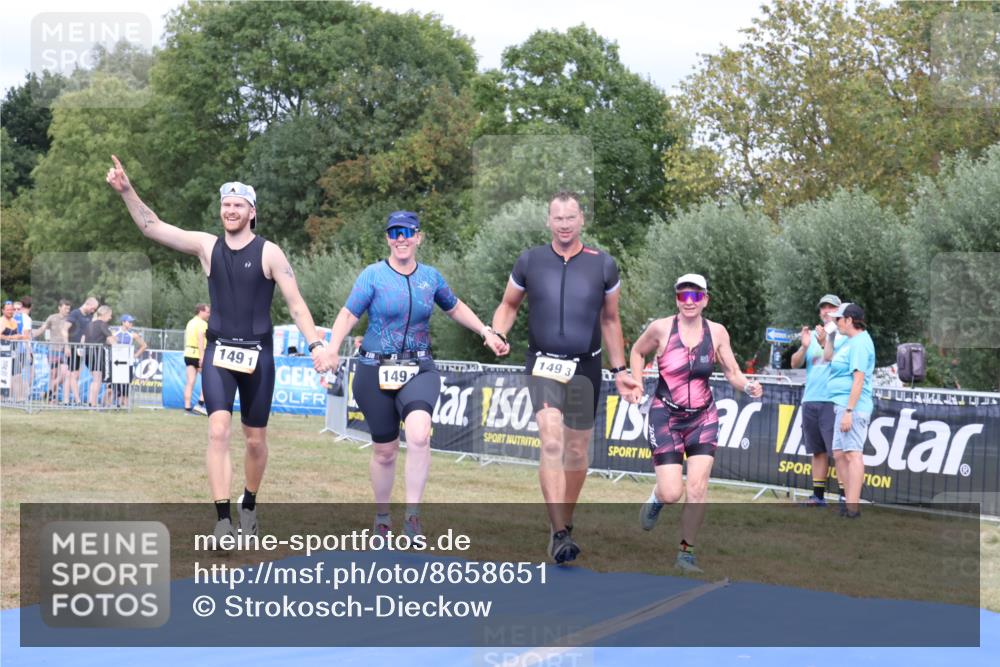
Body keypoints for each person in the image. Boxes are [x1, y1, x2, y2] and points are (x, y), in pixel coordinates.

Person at [106, 155, 330, 543]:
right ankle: (223, 519)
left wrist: (315, 344)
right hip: (220, 353)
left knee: (256, 440)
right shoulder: (208, 247)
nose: (230, 210)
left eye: (238, 205)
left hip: (259, 356)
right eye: (225, 205)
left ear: (251, 212)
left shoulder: (270, 252)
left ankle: (250, 505)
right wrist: (127, 192)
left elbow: (296, 303)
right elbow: (153, 226)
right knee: (217, 431)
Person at [324, 211, 508, 538]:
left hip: (419, 368)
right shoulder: (373, 276)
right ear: (388, 239)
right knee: (385, 451)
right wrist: (332, 348)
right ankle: (382, 518)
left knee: (420, 435)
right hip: (373, 369)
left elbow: (455, 307)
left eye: (407, 232)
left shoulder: (431, 278)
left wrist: (486, 332)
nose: (401, 238)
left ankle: (412, 516)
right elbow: (349, 313)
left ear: (418, 237)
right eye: (394, 233)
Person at [491, 191, 637, 564]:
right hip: (542, 364)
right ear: (548, 221)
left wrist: (620, 370)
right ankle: (558, 534)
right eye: (558, 219)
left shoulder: (603, 265)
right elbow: (509, 305)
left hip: (585, 367)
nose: (565, 225)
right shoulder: (531, 260)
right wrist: (499, 332)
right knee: (552, 442)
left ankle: (564, 522)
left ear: (582, 220)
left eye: (571, 218)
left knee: (575, 451)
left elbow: (610, 320)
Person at [623, 273, 763, 573]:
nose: (689, 302)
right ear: (676, 299)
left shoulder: (717, 332)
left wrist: (748, 386)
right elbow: (636, 351)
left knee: (698, 487)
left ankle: (686, 553)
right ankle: (658, 498)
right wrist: (636, 382)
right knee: (673, 492)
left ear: (705, 300)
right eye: (683, 296)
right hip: (665, 416)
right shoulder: (661, 328)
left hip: (704, 417)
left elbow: (732, 371)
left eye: (695, 296)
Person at [789, 294, 844, 507]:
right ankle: (818, 496)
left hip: (833, 399)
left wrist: (824, 342)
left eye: (831, 307)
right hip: (810, 398)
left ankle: (844, 496)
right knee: (817, 450)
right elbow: (794, 364)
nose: (827, 311)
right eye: (824, 308)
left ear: (839, 311)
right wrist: (804, 347)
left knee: (837, 451)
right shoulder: (811, 335)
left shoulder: (845, 335)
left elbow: (840, 363)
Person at [824, 303, 875, 519]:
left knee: (853, 454)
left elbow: (859, 379)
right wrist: (830, 335)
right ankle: (847, 502)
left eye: (839, 319)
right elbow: (827, 357)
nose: (836, 322)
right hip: (842, 405)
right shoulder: (849, 341)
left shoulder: (861, 343)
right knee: (839, 453)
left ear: (850, 320)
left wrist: (849, 411)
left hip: (853, 407)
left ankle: (853, 508)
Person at [34, 299, 72, 402]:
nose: (67, 311)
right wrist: (32, 335)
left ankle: (48, 392)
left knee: (64, 374)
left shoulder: (71, 319)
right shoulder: (52, 317)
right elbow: (42, 328)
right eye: (65, 308)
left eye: (69, 309)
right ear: (59, 307)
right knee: (53, 374)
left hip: (65, 350)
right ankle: (52, 398)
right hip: (53, 349)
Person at [66, 297, 99, 405]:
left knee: (75, 375)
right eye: (93, 308)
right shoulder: (75, 314)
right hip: (73, 348)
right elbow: (64, 329)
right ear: (87, 304)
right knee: (73, 375)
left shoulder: (89, 316)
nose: (93, 311)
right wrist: (66, 346)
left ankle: (72, 400)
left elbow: (87, 332)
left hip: (83, 349)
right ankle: (77, 400)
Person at [111, 314, 148, 408]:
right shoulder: (114, 332)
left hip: (127, 363)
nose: (131, 323)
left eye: (132, 322)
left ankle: (126, 405)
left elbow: (144, 345)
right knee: (116, 383)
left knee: (126, 383)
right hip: (116, 362)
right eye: (129, 321)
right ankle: (117, 403)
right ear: (123, 322)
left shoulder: (133, 334)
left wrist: (135, 355)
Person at [84, 305, 115, 407]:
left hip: (88, 353)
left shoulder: (90, 324)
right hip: (97, 353)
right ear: (105, 314)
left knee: (95, 379)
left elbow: (85, 339)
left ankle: (91, 402)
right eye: (110, 315)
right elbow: (111, 341)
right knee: (97, 380)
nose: (110, 318)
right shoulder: (103, 324)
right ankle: (93, 403)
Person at [183, 304, 210, 415]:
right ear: (201, 311)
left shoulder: (190, 322)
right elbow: (200, 340)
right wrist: (202, 356)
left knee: (190, 382)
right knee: (209, 379)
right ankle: (200, 404)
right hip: (198, 354)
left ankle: (187, 409)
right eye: (208, 312)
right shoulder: (202, 324)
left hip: (188, 353)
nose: (209, 314)